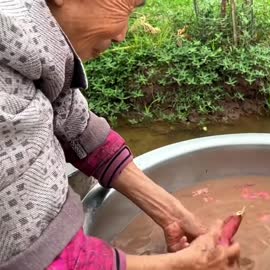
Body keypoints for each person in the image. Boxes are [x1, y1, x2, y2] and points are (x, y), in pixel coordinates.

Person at [0, 0, 240, 269]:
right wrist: (184, 264)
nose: (122, 35)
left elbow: (76, 127)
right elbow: (44, 258)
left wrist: (174, 215)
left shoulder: (34, 49)